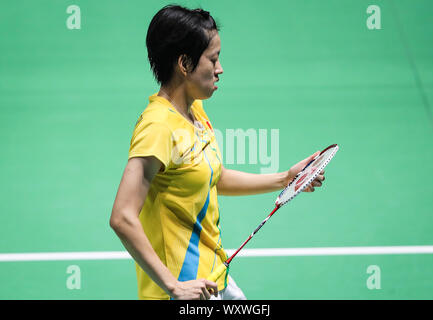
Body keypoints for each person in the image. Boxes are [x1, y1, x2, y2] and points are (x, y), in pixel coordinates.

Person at [109, 4, 325, 300]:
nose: (220, 68)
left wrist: (285, 178)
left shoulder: (193, 111)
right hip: (185, 291)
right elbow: (122, 216)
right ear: (184, 64)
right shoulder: (157, 127)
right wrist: (174, 286)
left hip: (213, 276)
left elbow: (213, 177)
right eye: (213, 59)